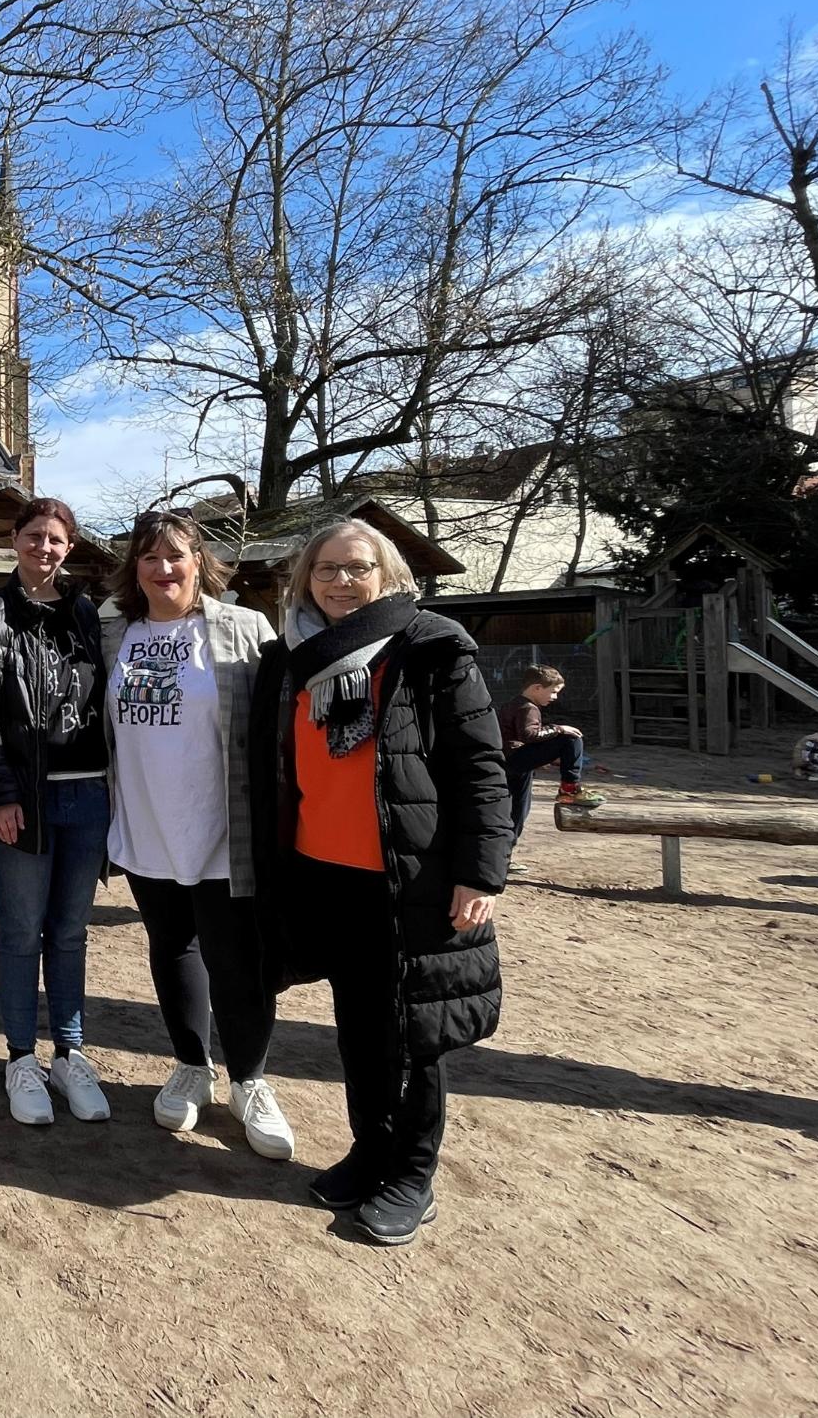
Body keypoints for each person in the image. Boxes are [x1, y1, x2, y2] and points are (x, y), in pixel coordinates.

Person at [249, 519, 512, 1246]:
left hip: (410, 879)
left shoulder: (429, 648)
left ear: (387, 575)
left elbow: (480, 767)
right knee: (360, 1030)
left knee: (416, 1036)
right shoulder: (292, 658)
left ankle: (413, 1176)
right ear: (305, 580)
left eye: (356, 568)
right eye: (325, 569)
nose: (339, 582)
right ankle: (371, 1153)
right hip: (325, 876)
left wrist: (479, 872)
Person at [99, 511, 294, 1159]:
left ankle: (250, 1082)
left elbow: (278, 731)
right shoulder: (113, 633)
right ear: (135, 569)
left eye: (175, 556)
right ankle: (191, 1065)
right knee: (172, 947)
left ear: (198, 561)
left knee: (239, 962)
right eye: (149, 558)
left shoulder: (244, 629)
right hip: (147, 825)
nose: (162, 569)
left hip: (222, 829)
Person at [0, 496, 113, 1128]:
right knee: (21, 931)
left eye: (54, 539)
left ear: (67, 547)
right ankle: (21, 1057)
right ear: (14, 540)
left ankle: (70, 1053)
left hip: (88, 794)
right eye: (33, 536)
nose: (43, 548)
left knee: (71, 932)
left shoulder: (83, 614)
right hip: (22, 797)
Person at [497, 665, 606, 860]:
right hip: (515, 759)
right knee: (572, 738)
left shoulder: (514, 703)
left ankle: (503, 858)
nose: (554, 697)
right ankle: (569, 788)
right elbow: (529, 735)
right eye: (553, 692)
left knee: (518, 810)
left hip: (511, 762)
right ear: (537, 688)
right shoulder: (527, 707)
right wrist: (558, 728)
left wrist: (540, 757)